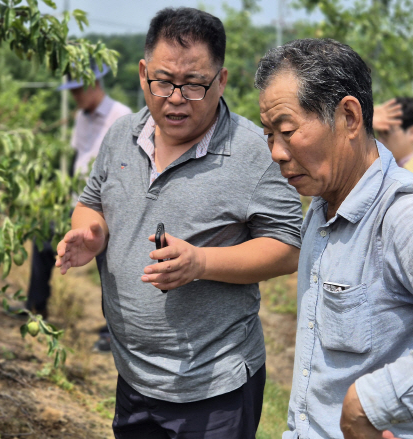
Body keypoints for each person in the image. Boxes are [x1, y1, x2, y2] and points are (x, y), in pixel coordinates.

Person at [56, 7, 303, 438]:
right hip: (134, 376)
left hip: (213, 387)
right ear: (142, 73)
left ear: (221, 81)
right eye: (164, 81)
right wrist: (91, 231)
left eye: (193, 85)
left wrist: (201, 263)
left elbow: (287, 246)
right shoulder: (121, 135)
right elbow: (92, 200)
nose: (174, 97)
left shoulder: (253, 153)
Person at [255, 38, 413, 439]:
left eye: (287, 130)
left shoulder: (409, 214)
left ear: (350, 117)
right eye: (269, 133)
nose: (276, 152)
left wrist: (370, 403)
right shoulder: (322, 209)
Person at [25, 63, 131, 332]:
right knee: (42, 240)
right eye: (72, 92)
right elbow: (78, 157)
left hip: (109, 209)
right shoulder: (82, 117)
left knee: (115, 264)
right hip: (79, 201)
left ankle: (115, 330)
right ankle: (36, 307)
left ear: (93, 85)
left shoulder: (122, 117)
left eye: (78, 90)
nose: (75, 97)